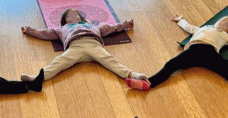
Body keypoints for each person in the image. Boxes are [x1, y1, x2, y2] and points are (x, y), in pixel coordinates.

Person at [125, 14, 228, 94]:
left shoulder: (225, 36)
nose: (224, 23)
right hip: (193, 51)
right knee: (171, 65)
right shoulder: (202, 29)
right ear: (216, 22)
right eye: (223, 20)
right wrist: (181, 20)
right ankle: (148, 83)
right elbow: (189, 27)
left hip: (210, 52)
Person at [19, 9, 147, 85]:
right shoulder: (62, 29)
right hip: (75, 46)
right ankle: (38, 78)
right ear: (65, 21)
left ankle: (132, 74)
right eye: (70, 15)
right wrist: (29, 30)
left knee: (110, 60)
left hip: (93, 44)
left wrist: (125, 24)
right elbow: (45, 33)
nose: (74, 16)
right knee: (58, 62)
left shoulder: (93, 26)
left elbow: (111, 28)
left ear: (82, 18)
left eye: (76, 14)